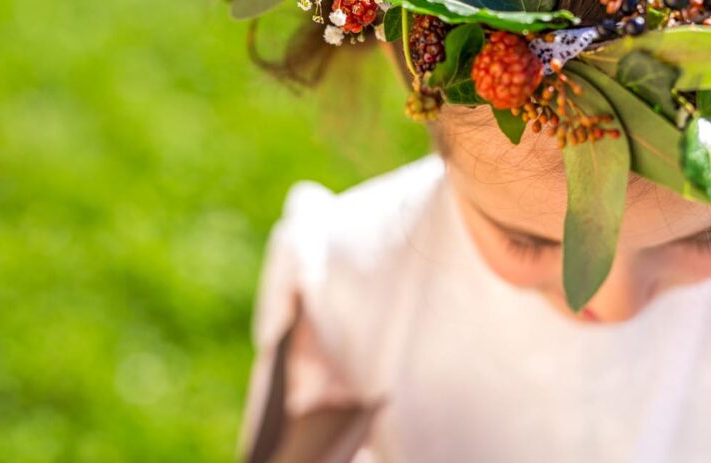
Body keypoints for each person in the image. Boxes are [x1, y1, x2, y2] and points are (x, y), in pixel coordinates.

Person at [236, 1, 711, 461]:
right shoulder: (351, 283)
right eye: (528, 243)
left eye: (701, 238)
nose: (615, 304)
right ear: (425, 79)